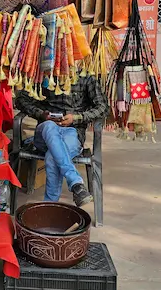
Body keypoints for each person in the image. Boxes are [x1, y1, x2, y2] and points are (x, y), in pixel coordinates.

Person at [15, 75, 107, 207]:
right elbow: (21, 100)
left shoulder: (87, 77)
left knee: (53, 156)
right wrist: (41, 114)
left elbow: (103, 107)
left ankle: (50, 208)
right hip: (45, 133)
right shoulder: (45, 73)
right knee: (49, 127)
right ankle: (75, 182)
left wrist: (76, 118)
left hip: (72, 132)